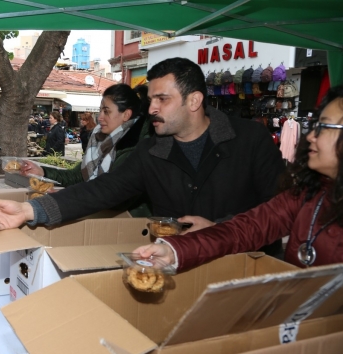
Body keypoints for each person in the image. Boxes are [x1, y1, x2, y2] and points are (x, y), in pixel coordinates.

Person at [0, 57, 285, 256]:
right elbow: (101, 190)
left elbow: (282, 209)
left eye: (162, 99)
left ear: (194, 100)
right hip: (179, 270)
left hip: (246, 270)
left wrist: (222, 230)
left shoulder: (250, 140)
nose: (151, 108)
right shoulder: (152, 151)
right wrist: (31, 211)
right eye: (151, 99)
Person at [134, 85, 343, 270]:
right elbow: (247, 229)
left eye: (324, 127)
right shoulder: (307, 194)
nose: (311, 136)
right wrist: (174, 251)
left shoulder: (251, 139)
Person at [22, 84, 152, 216]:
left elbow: (114, 196)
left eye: (106, 111)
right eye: (100, 110)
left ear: (126, 114)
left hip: (129, 225)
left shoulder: (134, 147)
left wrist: (68, 197)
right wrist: (43, 172)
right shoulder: (100, 140)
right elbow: (78, 176)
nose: (100, 117)